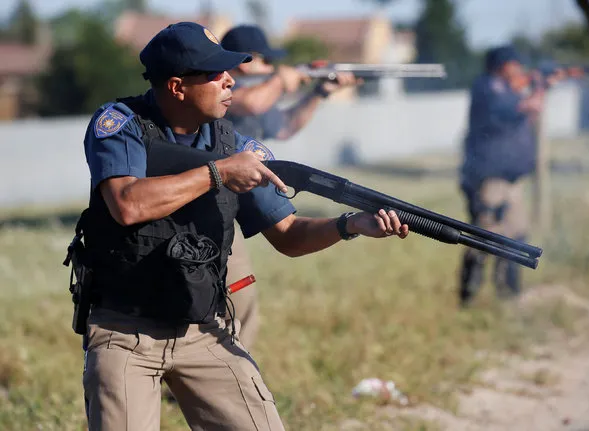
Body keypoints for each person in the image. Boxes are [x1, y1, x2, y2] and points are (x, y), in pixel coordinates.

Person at [77, 21, 409, 430]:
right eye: (216, 74)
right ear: (178, 87)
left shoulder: (235, 144)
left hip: (203, 330)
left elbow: (289, 235)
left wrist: (351, 224)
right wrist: (218, 174)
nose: (231, 80)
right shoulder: (120, 124)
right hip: (125, 334)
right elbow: (127, 204)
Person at [218, 24, 360, 350]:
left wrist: (319, 93)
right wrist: (282, 79)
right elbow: (252, 103)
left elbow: (283, 127)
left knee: (239, 300)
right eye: (266, 61)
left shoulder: (254, 94)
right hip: (208, 207)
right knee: (234, 301)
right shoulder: (224, 91)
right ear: (245, 61)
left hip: (233, 208)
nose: (271, 67)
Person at [458, 45, 545, 307]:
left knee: (516, 236)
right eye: (514, 64)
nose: (518, 69)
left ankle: (509, 294)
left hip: (511, 179)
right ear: (501, 65)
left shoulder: (507, 90)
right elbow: (523, 106)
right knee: (485, 237)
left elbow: (523, 116)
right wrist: (540, 89)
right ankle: (468, 298)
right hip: (490, 180)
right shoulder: (488, 87)